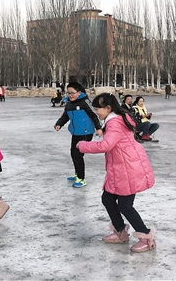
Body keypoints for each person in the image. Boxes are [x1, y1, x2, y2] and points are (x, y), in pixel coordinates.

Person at [77, 93, 156, 253]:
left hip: (128, 167)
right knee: (107, 198)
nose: (96, 112)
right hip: (121, 166)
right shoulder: (116, 118)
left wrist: (83, 145)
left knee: (125, 206)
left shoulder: (114, 122)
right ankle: (120, 231)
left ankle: (147, 238)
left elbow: (106, 145)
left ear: (108, 108)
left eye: (98, 109)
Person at [54, 82, 103, 188]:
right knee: (73, 153)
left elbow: (94, 115)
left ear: (79, 92)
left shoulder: (85, 102)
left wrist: (99, 128)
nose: (70, 95)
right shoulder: (69, 104)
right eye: (68, 93)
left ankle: (81, 178)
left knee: (78, 155)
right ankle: (77, 173)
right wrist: (59, 124)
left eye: (73, 93)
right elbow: (65, 116)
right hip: (76, 132)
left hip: (86, 132)